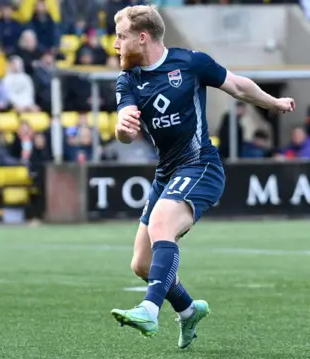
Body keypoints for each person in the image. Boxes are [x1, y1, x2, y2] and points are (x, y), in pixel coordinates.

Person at [109, 5, 295, 348]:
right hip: (166, 173)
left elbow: (238, 86)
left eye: (121, 37)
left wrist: (274, 103)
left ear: (143, 37)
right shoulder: (128, 79)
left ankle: (149, 309)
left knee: (162, 223)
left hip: (200, 165)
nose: (115, 45)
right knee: (141, 264)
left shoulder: (191, 63)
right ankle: (188, 310)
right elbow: (125, 124)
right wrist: (122, 127)